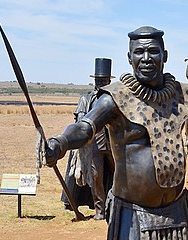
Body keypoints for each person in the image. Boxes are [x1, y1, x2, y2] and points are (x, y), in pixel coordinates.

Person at [45, 26, 188, 239]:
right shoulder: (115, 98)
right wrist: (61, 142)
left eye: (153, 51)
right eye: (139, 52)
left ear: (165, 55)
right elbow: (85, 127)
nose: (146, 58)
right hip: (132, 215)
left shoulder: (183, 95)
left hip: (177, 211)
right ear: (129, 57)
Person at [61, 58, 115, 220]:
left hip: (115, 144)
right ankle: (100, 210)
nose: (101, 83)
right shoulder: (86, 99)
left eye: (104, 80)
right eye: (99, 80)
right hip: (94, 145)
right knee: (96, 178)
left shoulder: (115, 98)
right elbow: (80, 122)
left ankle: (118, 207)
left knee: (120, 176)